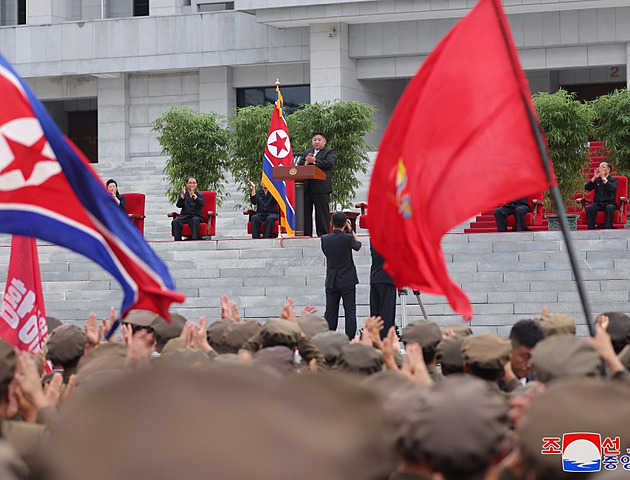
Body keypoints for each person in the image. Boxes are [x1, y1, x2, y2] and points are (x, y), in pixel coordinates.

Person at [321, 212, 361, 339]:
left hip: (332, 279)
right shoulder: (348, 238)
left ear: (331, 224)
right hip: (347, 279)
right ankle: (350, 339)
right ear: (345, 224)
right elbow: (358, 245)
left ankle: (329, 337)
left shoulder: (325, 239)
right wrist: (351, 231)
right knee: (350, 311)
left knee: (330, 312)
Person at [300, 132, 335, 237]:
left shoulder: (329, 152)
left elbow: (329, 164)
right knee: (305, 212)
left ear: (324, 141)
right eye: (315, 140)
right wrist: (306, 162)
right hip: (307, 187)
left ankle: (323, 234)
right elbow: (300, 166)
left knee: (321, 212)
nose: (317, 142)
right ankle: (306, 234)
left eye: (319, 140)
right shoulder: (307, 151)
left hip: (321, 187)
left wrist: (315, 161)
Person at [369, 247, 396, 339]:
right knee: (387, 313)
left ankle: (375, 338)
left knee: (375, 313)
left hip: (375, 278)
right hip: (387, 278)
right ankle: (385, 339)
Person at [508, 319, 546, 383]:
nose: (529, 365)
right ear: (510, 350)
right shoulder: (491, 386)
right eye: (525, 356)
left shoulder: (542, 385)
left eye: (535, 358)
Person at [585, 161, 618, 229]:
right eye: (599, 167)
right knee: (590, 208)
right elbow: (587, 187)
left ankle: (607, 228)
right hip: (598, 204)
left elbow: (613, 188)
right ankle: (591, 229)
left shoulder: (613, 180)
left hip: (609, 203)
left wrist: (604, 178)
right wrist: (594, 177)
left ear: (608, 169)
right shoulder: (597, 180)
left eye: (602, 167)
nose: (600, 169)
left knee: (609, 208)